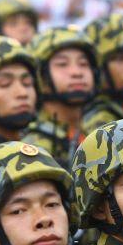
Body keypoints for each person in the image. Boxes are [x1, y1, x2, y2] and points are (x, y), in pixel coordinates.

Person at [25, 25, 99, 168]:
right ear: (41, 76)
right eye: (62, 64)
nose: (76, 72)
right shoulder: (36, 145)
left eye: (83, 64)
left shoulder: (95, 132)